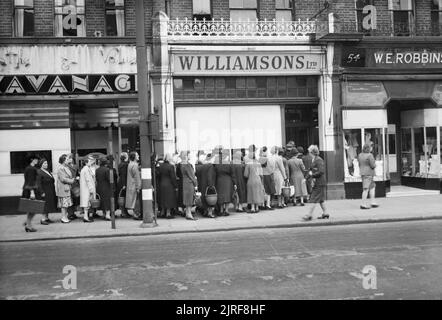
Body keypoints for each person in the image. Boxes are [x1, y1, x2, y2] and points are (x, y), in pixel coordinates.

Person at [303, 145, 329, 221]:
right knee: (321, 199)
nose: (309, 153)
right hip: (317, 182)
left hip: (319, 182)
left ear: (312, 152)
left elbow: (321, 171)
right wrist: (306, 178)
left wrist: (312, 175)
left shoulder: (319, 160)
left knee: (313, 199)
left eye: (309, 152)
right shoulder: (314, 159)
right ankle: (325, 213)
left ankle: (309, 215)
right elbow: (310, 170)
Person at [22, 155, 42, 232]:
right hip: (31, 191)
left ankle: (28, 223)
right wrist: (32, 193)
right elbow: (31, 181)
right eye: (36, 159)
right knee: (33, 209)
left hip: (28, 190)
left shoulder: (28, 168)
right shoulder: (32, 169)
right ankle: (28, 225)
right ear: (32, 160)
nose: (37, 160)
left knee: (31, 209)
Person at [213, 147, 235, 216]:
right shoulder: (229, 163)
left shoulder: (217, 163)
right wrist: (234, 182)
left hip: (219, 180)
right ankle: (226, 210)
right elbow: (232, 173)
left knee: (221, 195)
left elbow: (215, 172)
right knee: (227, 195)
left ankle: (221, 210)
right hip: (228, 180)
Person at [244, 145, 264, 214]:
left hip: (251, 180)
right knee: (257, 193)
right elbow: (261, 174)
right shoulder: (259, 163)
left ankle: (252, 208)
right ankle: (257, 207)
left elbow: (246, 175)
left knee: (251, 193)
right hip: (258, 180)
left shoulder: (248, 164)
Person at [56, 154, 76, 224]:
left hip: (67, 188)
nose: (68, 160)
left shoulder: (66, 167)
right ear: (64, 161)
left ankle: (65, 217)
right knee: (64, 204)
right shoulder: (60, 168)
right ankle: (63, 217)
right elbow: (63, 179)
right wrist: (72, 180)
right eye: (67, 159)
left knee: (66, 204)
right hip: (63, 188)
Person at [195, 153, 217, 218]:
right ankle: (210, 213)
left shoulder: (203, 166)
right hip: (208, 185)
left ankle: (205, 212)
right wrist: (211, 186)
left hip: (203, 185)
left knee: (204, 199)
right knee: (210, 199)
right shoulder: (210, 166)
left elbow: (197, 174)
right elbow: (209, 177)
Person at [358, 143, 379, 210]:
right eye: (371, 147)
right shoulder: (370, 155)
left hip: (363, 173)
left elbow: (359, 164)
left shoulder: (360, 155)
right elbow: (372, 165)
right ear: (368, 148)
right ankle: (363, 204)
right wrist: (376, 165)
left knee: (372, 187)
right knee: (366, 189)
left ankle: (373, 202)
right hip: (369, 174)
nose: (371, 148)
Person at [37, 158, 57, 225]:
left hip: (50, 190)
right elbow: (38, 183)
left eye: (47, 163)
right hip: (45, 190)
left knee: (48, 205)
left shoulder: (48, 171)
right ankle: (43, 219)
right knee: (45, 205)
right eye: (44, 163)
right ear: (41, 164)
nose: (46, 164)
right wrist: (42, 192)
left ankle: (46, 218)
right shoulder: (39, 172)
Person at [158, 153, 178, 219]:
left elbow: (159, 175)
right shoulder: (171, 166)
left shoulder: (161, 166)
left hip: (162, 183)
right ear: (169, 158)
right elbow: (173, 177)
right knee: (169, 199)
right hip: (169, 184)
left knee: (163, 198)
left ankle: (162, 212)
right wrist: (175, 186)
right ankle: (168, 213)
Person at [180, 151, 198, 220]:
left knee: (187, 199)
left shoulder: (182, 164)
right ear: (186, 156)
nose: (190, 156)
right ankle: (189, 214)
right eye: (189, 155)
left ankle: (188, 213)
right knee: (190, 199)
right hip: (189, 184)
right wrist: (195, 184)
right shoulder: (188, 165)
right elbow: (192, 176)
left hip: (185, 183)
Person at [125, 151, 142, 220]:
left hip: (130, 184)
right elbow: (137, 177)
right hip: (134, 184)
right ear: (134, 157)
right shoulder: (135, 165)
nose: (138, 156)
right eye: (137, 155)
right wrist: (138, 186)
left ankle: (135, 213)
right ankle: (136, 214)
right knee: (136, 200)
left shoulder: (130, 164)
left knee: (134, 199)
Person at [80, 155, 96, 222]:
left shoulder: (85, 168)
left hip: (85, 188)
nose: (91, 162)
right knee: (86, 203)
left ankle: (86, 217)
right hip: (87, 189)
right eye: (89, 161)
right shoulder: (86, 169)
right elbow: (88, 180)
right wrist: (91, 189)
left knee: (87, 203)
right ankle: (86, 217)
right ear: (86, 163)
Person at [66, 154, 80, 221]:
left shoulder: (75, 166)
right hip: (69, 183)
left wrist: (78, 177)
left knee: (75, 199)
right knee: (69, 199)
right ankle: (70, 214)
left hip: (75, 184)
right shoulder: (66, 166)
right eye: (69, 158)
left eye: (71, 158)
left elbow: (77, 174)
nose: (70, 159)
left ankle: (73, 213)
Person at [117, 152, 129, 217]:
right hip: (123, 182)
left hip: (120, 182)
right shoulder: (125, 165)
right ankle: (124, 212)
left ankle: (123, 212)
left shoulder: (120, 164)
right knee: (123, 197)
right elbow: (124, 175)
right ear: (125, 157)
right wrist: (124, 184)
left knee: (122, 197)